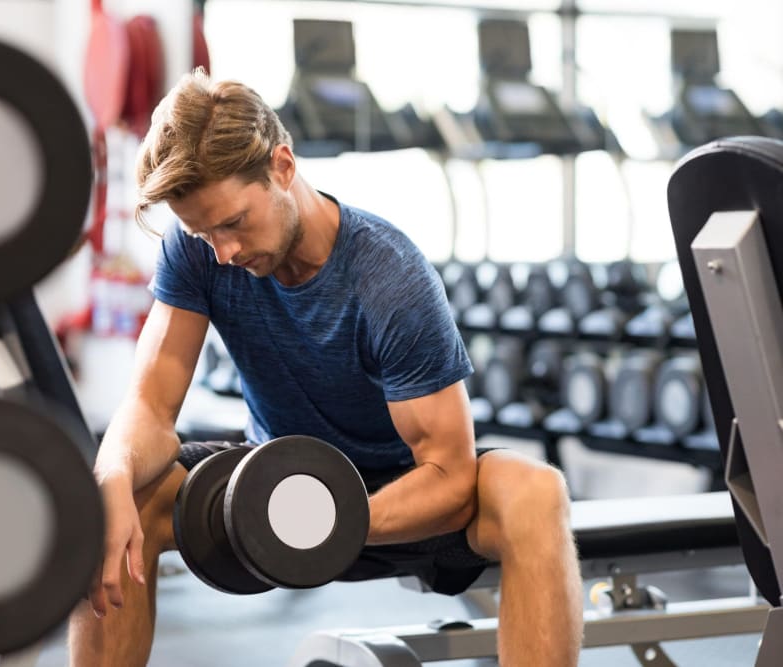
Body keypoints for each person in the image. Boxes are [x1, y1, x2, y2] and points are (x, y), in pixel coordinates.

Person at [68, 69, 583, 667]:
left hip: (400, 500)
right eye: (203, 233)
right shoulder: (201, 251)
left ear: (282, 167)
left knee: (536, 492)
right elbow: (151, 408)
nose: (225, 252)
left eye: (234, 222)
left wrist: (327, 518)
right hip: (269, 485)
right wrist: (109, 480)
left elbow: (446, 473)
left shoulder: (389, 279)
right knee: (119, 495)